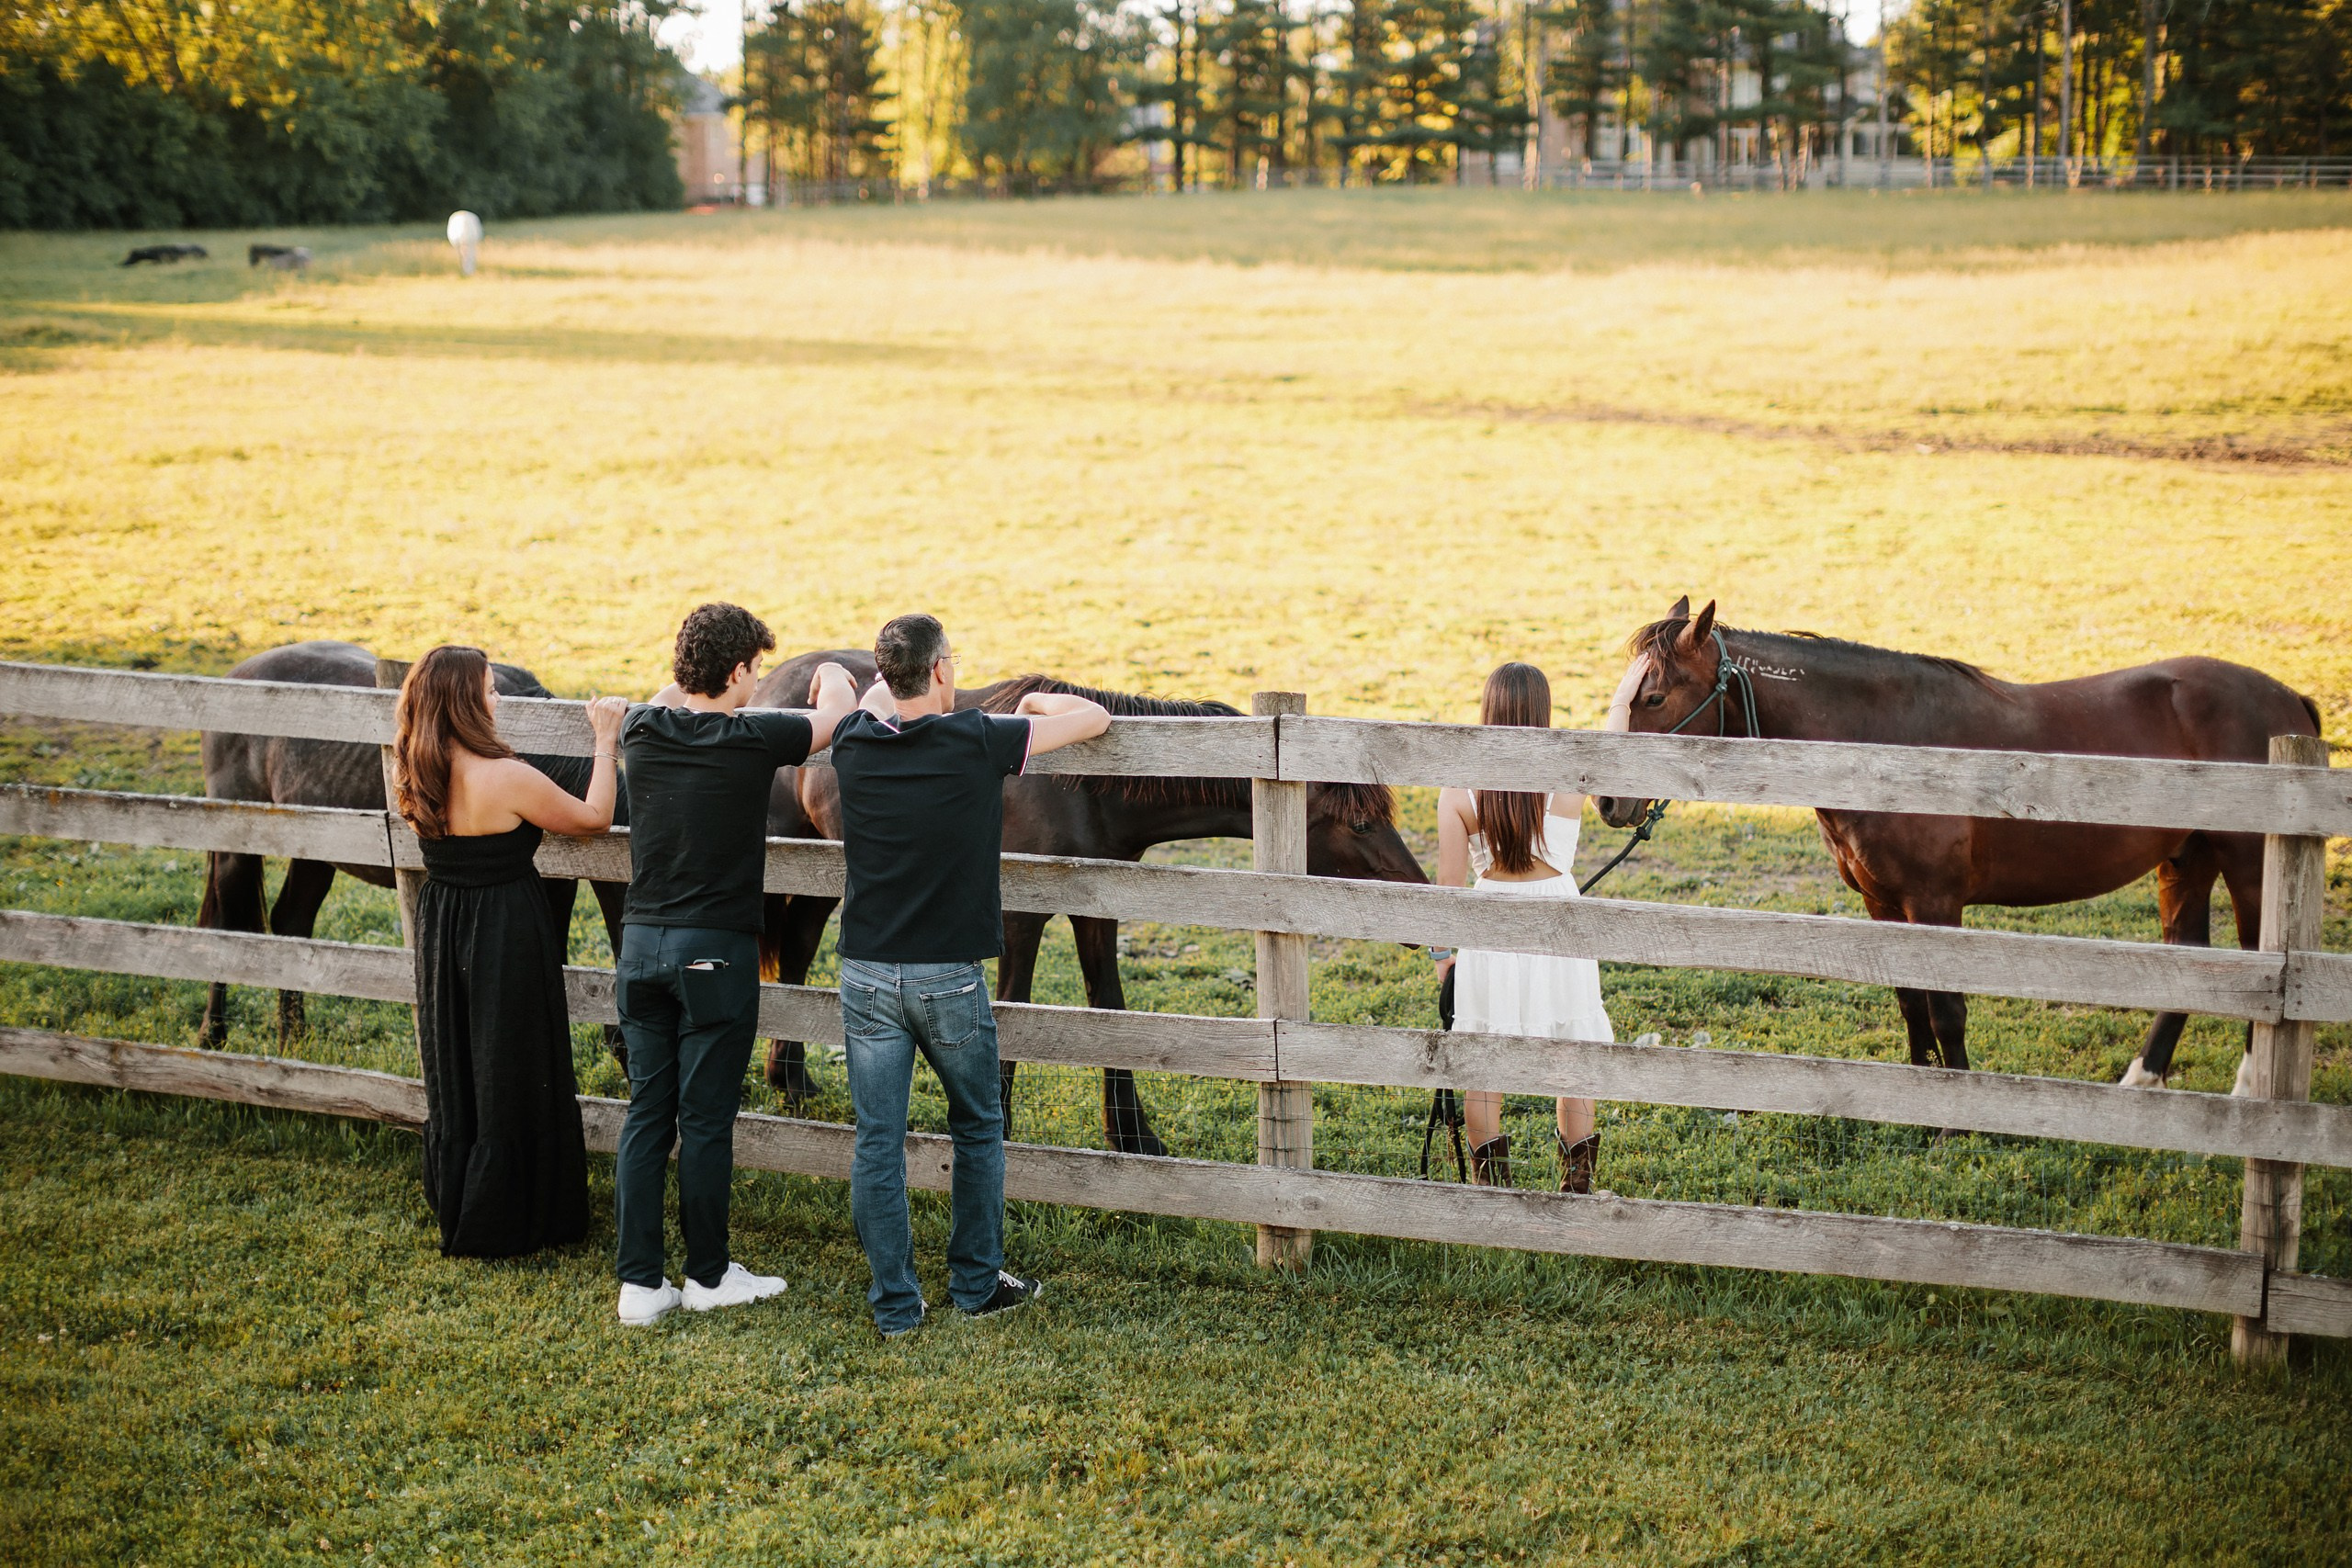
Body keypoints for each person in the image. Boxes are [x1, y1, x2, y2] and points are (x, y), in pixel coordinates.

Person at [830, 614, 1109, 1337]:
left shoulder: (853, 742)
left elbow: (853, 697)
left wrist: (851, 680)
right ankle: (976, 1284)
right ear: (945, 670)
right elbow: (1095, 718)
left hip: (865, 973)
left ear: (888, 678)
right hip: (945, 978)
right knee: (978, 1127)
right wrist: (1033, 704)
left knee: (876, 1141)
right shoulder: (980, 738)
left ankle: (895, 1304)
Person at [613, 604, 859, 1326]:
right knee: (708, 1116)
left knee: (647, 1113)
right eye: (753, 666)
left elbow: (662, 698)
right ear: (739, 671)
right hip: (713, 953)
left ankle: (639, 1285)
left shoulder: (642, 728)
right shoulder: (752, 735)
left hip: (640, 946)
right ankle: (708, 1274)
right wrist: (833, 675)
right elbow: (837, 720)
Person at [391, 645, 628, 1257]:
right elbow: (595, 816)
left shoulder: (416, 771)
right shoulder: (507, 777)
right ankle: (520, 1207)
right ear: (466, 701)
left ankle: (464, 1189)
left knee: (461, 1056)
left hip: (443, 926)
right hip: (503, 928)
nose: (498, 699)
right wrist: (605, 740)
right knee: (514, 1057)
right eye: (490, 690)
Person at [1433, 661, 1615, 1194]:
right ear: (1544, 711)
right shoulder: (1570, 772)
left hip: (1490, 926)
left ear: (1487, 710)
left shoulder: (1459, 790)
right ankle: (1576, 1188)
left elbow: (1447, 889)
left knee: (1483, 1057)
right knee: (1573, 1051)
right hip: (1561, 922)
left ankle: (1493, 1193)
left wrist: (1442, 958)